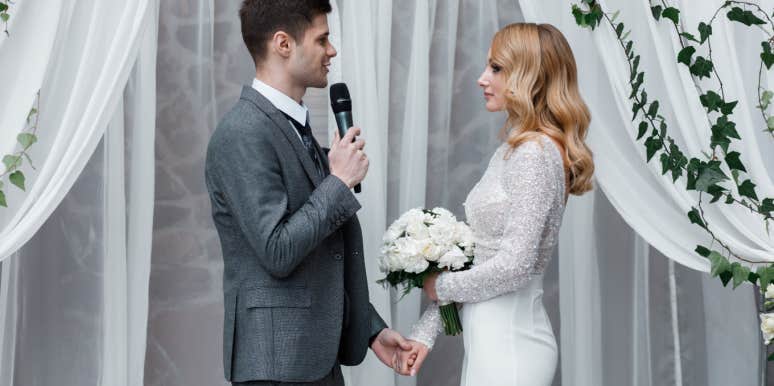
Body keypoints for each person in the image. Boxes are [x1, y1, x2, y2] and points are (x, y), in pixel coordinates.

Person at [205, 1, 412, 384]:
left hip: (313, 359)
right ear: (283, 44)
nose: (331, 50)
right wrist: (338, 183)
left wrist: (371, 329)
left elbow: (321, 257)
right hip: (277, 364)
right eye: (322, 39)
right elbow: (278, 250)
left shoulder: (294, 126)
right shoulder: (243, 133)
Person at [400, 23, 595, 385]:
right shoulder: (513, 151)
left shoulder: (535, 154)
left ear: (529, 76)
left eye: (496, 68)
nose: (481, 78)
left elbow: (515, 266)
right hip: (493, 343)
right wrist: (425, 333)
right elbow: (478, 261)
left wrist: (440, 287)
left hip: (511, 346)